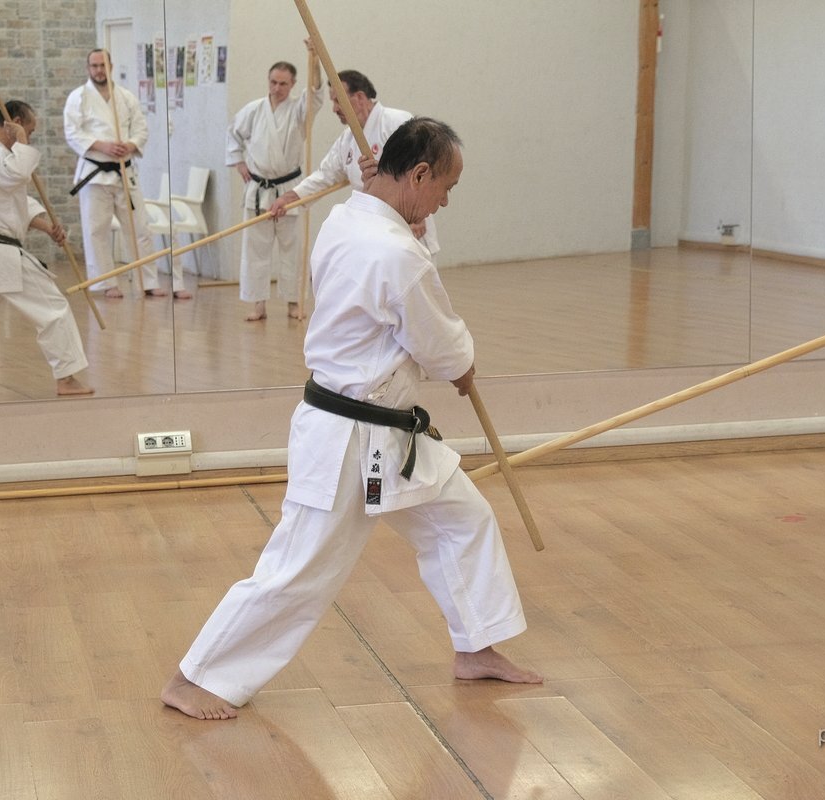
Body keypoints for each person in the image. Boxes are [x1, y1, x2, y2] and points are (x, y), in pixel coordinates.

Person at [162, 117, 541, 721]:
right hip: (346, 439)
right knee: (300, 567)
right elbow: (441, 348)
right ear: (418, 174)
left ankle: (477, 648)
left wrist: (404, 221)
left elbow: (395, 268)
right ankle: (195, 677)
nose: (445, 200)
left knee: (462, 519)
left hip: (387, 431)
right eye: (445, 186)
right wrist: (463, 366)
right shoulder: (398, 254)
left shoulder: (350, 218)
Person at [0, 100, 92, 396]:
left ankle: (67, 376)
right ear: (13, 124)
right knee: (53, 310)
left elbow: (16, 203)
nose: (31, 136)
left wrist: (48, 228)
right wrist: (23, 141)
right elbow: (17, 174)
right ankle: (66, 378)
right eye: (30, 129)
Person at [268, 69, 438, 255]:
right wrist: (289, 197)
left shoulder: (397, 122)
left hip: (410, 226)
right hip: (375, 229)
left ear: (359, 97)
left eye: (337, 100)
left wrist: (419, 216)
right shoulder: (347, 140)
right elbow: (325, 175)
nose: (334, 108)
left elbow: (425, 167)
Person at [64, 49, 188, 300]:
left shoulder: (127, 97)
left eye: (102, 65)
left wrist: (129, 145)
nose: (99, 70)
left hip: (124, 171)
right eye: (94, 65)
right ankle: (105, 282)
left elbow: (141, 129)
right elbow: (72, 133)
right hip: (95, 173)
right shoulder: (78, 97)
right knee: (96, 230)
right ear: (88, 68)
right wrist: (102, 146)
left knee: (139, 228)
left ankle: (148, 281)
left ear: (110, 66)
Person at [226, 47, 322, 321]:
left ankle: (294, 302)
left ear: (293, 84)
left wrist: (314, 60)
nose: (277, 88)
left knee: (292, 249)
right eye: (273, 82)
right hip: (258, 189)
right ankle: (258, 304)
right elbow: (233, 134)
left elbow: (315, 92)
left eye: (283, 83)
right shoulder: (254, 110)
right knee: (256, 248)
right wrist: (239, 162)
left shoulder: (299, 111)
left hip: (289, 188)